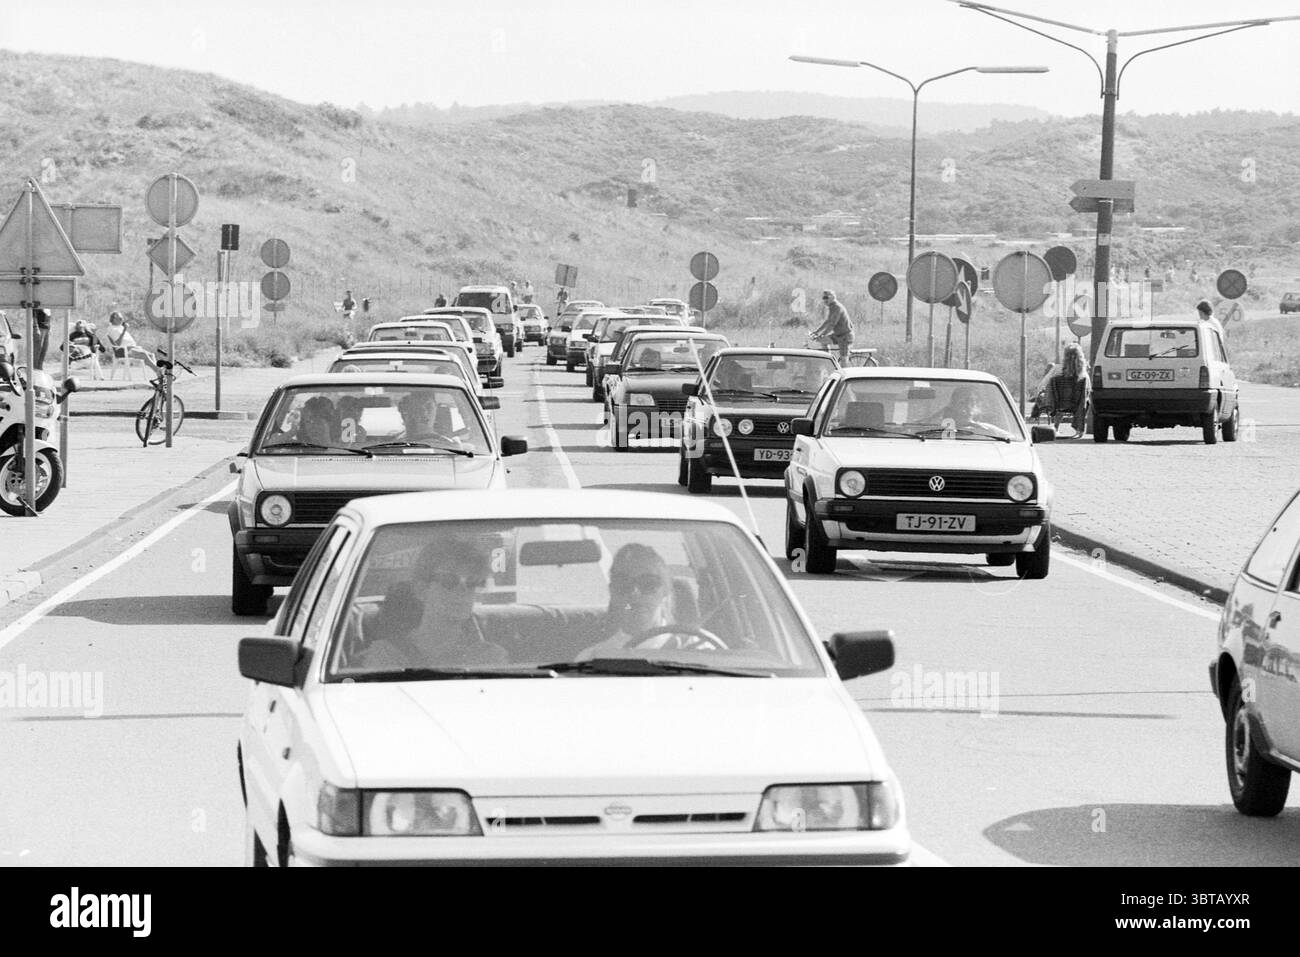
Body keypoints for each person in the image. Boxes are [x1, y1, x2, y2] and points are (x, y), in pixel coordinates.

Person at [358, 538, 508, 670]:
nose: (462, 591)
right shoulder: (385, 656)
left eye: (472, 582)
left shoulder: (491, 658)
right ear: (421, 589)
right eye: (449, 581)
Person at [576, 544, 677, 660]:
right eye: (624, 584)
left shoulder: (697, 650)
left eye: (648, 583)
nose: (635, 593)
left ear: (665, 591)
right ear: (613, 592)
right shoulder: (591, 658)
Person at [1048, 343, 1089, 437]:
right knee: (1086, 400)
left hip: (1060, 404)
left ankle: (1056, 427)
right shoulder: (1083, 376)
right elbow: (1087, 392)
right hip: (1077, 405)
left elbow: (1048, 384)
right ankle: (1079, 429)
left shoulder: (1057, 371)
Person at [104, 312, 160, 376]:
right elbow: (118, 343)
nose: (122, 320)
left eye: (122, 318)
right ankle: (158, 371)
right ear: (114, 319)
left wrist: (124, 329)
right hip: (123, 350)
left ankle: (158, 373)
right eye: (120, 318)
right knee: (144, 354)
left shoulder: (120, 327)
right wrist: (124, 330)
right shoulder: (112, 329)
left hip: (132, 348)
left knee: (151, 355)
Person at [811, 290, 854, 362]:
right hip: (838, 335)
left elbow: (832, 324)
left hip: (845, 336)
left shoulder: (837, 307)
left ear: (833, 297)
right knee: (823, 341)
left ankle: (845, 372)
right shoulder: (832, 307)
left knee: (843, 359)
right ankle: (828, 361)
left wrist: (822, 334)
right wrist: (817, 332)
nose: (825, 300)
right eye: (823, 298)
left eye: (826, 297)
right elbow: (827, 321)